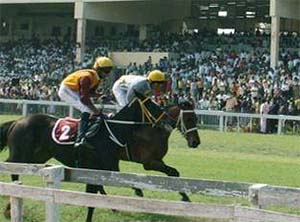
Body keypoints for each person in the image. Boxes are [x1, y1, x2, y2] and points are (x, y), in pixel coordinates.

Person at [58, 56, 113, 148]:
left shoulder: (96, 78)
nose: (107, 74)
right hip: (66, 89)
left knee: (89, 109)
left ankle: (88, 132)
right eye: (106, 71)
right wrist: (96, 111)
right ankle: (80, 139)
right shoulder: (86, 77)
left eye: (109, 71)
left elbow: (90, 93)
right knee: (86, 109)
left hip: (74, 90)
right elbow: (85, 99)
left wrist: (99, 95)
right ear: (98, 69)